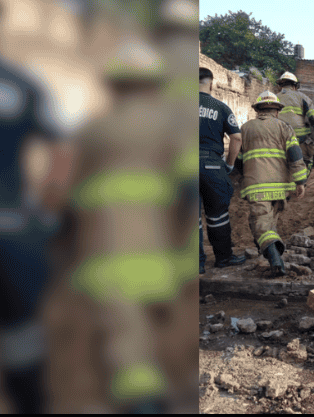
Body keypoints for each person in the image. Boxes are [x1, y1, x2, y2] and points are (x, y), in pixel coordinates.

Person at [67, 39, 190, 412]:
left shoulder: (94, 129)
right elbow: (187, 188)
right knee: (163, 344)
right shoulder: (170, 125)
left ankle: (143, 399)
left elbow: (72, 194)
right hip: (161, 253)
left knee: (127, 350)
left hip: (107, 254)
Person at [0, 54, 73, 414]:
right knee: (22, 336)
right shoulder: (19, 83)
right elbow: (61, 150)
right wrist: (45, 213)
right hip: (12, 227)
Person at [239, 92, 308, 277]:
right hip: (281, 188)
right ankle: (274, 253)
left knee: (260, 223)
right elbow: (295, 155)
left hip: (256, 186)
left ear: (258, 110)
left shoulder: (245, 128)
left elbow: (239, 160)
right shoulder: (285, 128)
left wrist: (240, 178)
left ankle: (275, 259)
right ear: (277, 111)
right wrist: (300, 181)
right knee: (270, 223)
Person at [199, 67, 245, 273]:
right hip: (212, 165)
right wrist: (229, 164)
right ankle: (223, 259)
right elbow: (236, 137)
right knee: (217, 215)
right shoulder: (220, 107)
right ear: (211, 84)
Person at [275, 71, 314, 174]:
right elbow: (313, 117)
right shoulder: (302, 97)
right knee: (306, 160)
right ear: (295, 86)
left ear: (281, 85)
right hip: (299, 139)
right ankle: (302, 183)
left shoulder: (274, 98)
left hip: (278, 138)